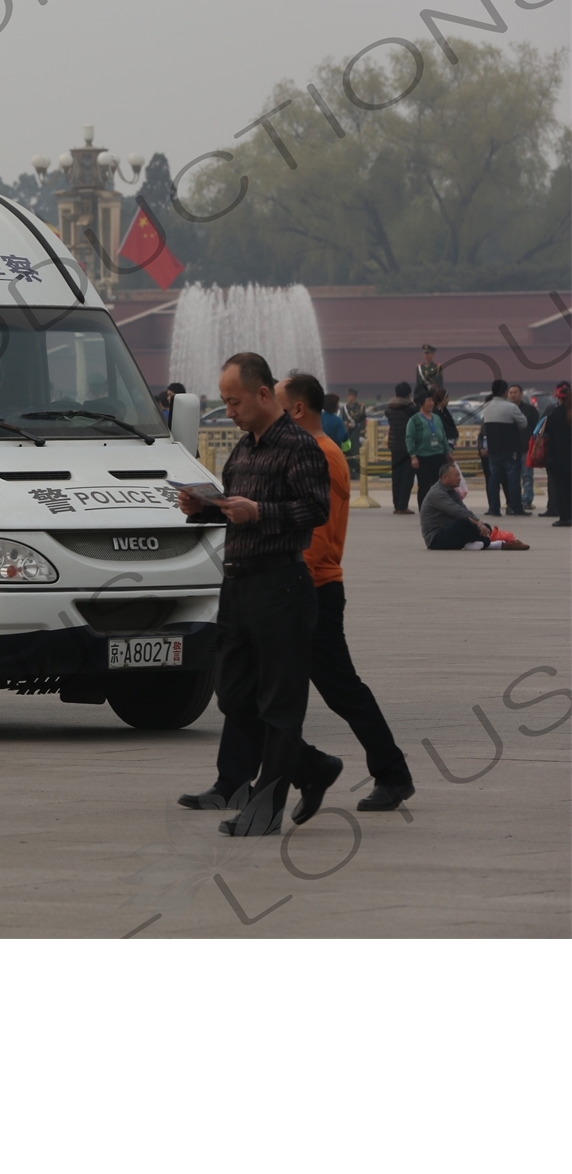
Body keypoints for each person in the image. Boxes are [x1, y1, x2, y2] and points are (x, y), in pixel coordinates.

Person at [181, 374, 414, 814]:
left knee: (337, 688)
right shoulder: (265, 448)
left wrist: (282, 575)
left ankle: (390, 772)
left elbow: (318, 531)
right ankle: (233, 780)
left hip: (309, 586)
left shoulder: (320, 453)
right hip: (273, 587)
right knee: (246, 687)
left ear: (296, 409)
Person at [175, 352, 336, 836]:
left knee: (280, 701)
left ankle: (266, 807)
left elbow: (315, 509)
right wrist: (201, 508)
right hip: (239, 584)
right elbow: (233, 509)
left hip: (281, 584)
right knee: (233, 694)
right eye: (224, 402)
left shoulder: (298, 446)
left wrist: (261, 512)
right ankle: (313, 768)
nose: (229, 410)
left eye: (234, 400)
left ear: (264, 394)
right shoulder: (245, 449)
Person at [419, 462, 528, 550]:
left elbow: (464, 509)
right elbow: (457, 511)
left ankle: (478, 543)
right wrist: (478, 524)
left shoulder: (452, 491)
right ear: (445, 477)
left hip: (451, 533)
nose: (459, 478)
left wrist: (480, 524)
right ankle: (494, 544)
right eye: (456, 476)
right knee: (463, 523)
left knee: (485, 527)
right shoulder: (437, 493)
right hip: (436, 539)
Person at [479, 378, 529, 518]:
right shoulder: (511, 407)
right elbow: (523, 423)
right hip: (510, 448)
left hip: (493, 449)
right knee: (513, 478)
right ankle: (516, 507)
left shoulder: (486, 406)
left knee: (494, 478)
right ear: (505, 392)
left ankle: (494, 508)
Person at [406, 392, 451, 506]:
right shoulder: (414, 420)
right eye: (429, 401)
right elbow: (409, 439)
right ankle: (424, 513)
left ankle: (439, 511)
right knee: (424, 486)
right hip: (423, 457)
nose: (432, 403)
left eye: (432, 400)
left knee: (440, 486)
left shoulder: (436, 418)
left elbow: (443, 436)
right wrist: (413, 456)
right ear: (421, 403)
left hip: (439, 455)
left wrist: (447, 452)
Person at [384, 381, 418, 514]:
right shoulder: (412, 409)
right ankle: (403, 505)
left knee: (396, 476)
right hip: (407, 446)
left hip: (394, 445)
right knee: (407, 477)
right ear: (409, 394)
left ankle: (396, 504)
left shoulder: (390, 408)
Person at [543, 381, 571, 527]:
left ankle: (564, 517)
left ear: (560, 398)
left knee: (560, 488)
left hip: (557, 458)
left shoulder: (555, 413)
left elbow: (545, 431)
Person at [507, 384, 538, 515]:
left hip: (526, 447)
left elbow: (536, 428)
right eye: (510, 392)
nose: (513, 395)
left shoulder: (530, 410)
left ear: (521, 394)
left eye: (515, 392)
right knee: (513, 477)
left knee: (527, 475)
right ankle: (514, 501)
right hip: (511, 448)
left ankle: (527, 500)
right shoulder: (507, 410)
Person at [342, 388, 366, 478]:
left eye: (351, 395)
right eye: (348, 395)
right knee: (347, 453)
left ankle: (356, 473)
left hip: (356, 434)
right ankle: (349, 473)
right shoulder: (345, 408)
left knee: (356, 453)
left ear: (355, 397)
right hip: (347, 434)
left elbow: (363, 421)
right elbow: (343, 419)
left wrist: (362, 435)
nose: (349, 397)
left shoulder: (360, 407)